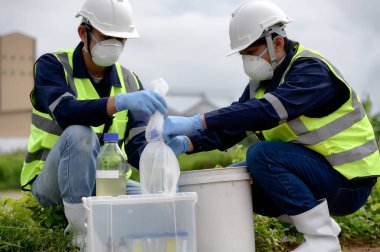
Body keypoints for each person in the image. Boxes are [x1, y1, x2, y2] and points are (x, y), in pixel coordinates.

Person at [163, 0, 380, 251]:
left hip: (349, 182)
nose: (247, 62)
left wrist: (197, 120)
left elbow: (266, 112)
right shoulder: (263, 82)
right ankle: (323, 227)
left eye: (251, 53)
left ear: (277, 42)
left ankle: (322, 239)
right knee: (236, 180)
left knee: (261, 155)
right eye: (243, 55)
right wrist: (187, 143)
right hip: (318, 174)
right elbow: (236, 124)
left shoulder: (311, 71)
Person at [20, 0, 167, 246]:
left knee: (153, 204)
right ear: (82, 33)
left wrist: (163, 142)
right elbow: (66, 112)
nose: (114, 45)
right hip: (50, 185)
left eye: (120, 39)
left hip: (108, 181)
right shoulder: (53, 66)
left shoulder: (129, 80)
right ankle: (80, 235)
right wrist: (117, 103)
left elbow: (137, 147)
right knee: (80, 133)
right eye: (107, 36)